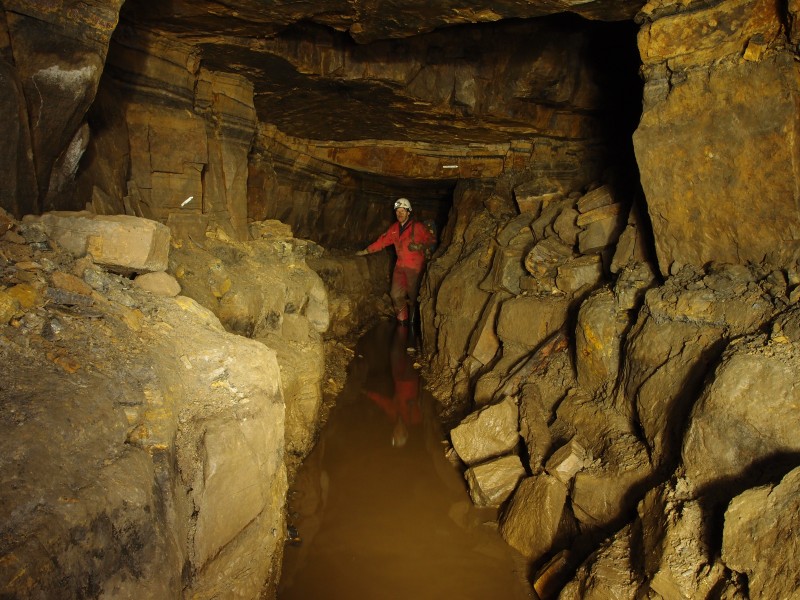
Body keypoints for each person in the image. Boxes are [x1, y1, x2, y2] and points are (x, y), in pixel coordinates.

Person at [356, 198, 436, 329]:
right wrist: (365, 251)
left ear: (408, 212)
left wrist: (420, 246)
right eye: (398, 211)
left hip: (414, 268)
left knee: (414, 296)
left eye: (402, 211)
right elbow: (381, 242)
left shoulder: (418, 227)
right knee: (395, 294)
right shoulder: (394, 229)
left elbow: (432, 240)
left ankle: (415, 324)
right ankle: (402, 322)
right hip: (400, 267)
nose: (400, 214)